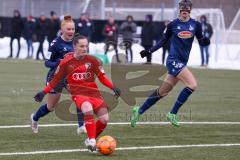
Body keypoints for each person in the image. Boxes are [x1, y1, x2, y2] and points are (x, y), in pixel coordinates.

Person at [33, 35, 121, 152]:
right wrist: (43, 92)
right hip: (78, 94)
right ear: (74, 46)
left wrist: (113, 87)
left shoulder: (93, 60)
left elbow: (102, 78)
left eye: (86, 46)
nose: (85, 48)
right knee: (87, 108)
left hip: (93, 93)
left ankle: (91, 139)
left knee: (104, 119)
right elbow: (55, 80)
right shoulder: (66, 62)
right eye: (81, 46)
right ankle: (92, 141)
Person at [130, 0, 210, 127]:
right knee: (192, 84)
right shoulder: (173, 24)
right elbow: (163, 40)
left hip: (182, 62)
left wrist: (205, 41)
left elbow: (201, 40)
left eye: (187, 11)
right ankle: (172, 113)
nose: (185, 13)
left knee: (162, 92)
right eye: (183, 11)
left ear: (190, 11)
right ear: (179, 11)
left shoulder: (196, 25)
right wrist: (149, 51)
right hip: (173, 61)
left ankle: (138, 111)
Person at [30, 15, 85, 135]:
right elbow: (47, 62)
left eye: (73, 29)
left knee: (79, 97)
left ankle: (81, 126)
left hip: (71, 77)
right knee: (51, 107)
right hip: (56, 77)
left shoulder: (76, 42)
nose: (71, 31)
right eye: (68, 29)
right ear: (62, 29)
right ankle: (35, 118)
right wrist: (59, 62)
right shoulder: (55, 43)